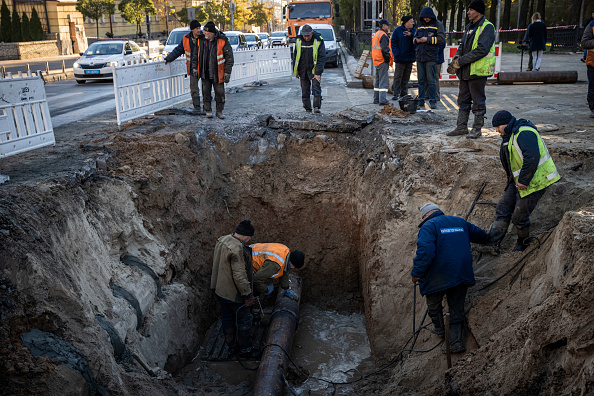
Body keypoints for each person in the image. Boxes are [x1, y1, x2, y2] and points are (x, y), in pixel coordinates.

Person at [411, 203, 489, 353]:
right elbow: (481, 236)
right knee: (456, 309)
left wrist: (417, 273)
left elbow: (425, 252)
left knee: (434, 306)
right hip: (461, 272)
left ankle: (441, 331)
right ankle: (455, 343)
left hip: (438, 275)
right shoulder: (460, 221)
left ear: (426, 215)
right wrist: (492, 236)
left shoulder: (428, 226)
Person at [488, 111, 560, 252]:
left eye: (497, 126)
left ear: (506, 123)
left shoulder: (524, 133)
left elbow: (532, 157)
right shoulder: (511, 134)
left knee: (519, 216)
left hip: (536, 181)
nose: (496, 130)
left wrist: (524, 181)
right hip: (518, 181)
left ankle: (523, 244)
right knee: (503, 208)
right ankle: (492, 242)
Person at [446, 0, 495, 139]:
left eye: (471, 10)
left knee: (478, 100)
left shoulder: (487, 27)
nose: (468, 12)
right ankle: (461, 127)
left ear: (479, 12)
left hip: (477, 71)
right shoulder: (470, 27)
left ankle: (477, 128)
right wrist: (457, 56)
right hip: (465, 71)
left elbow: (482, 50)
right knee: (463, 99)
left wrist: (460, 61)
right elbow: (463, 46)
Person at [210, 219, 258, 358]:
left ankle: (231, 347)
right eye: (250, 237)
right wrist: (247, 294)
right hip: (234, 294)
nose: (249, 240)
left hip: (220, 290)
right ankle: (245, 350)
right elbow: (239, 275)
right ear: (247, 236)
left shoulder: (223, 239)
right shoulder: (237, 249)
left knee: (228, 318)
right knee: (244, 320)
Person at [165, 20, 204, 115]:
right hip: (192, 68)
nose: (199, 30)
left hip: (204, 67)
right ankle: (197, 108)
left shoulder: (204, 38)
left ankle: (207, 108)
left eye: (199, 28)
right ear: (192, 30)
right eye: (197, 28)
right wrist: (169, 58)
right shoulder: (186, 39)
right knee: (194, 88)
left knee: (205, 88)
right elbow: (178, 50)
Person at [200, 21, 234, 119]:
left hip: (218, 73)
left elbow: (229, 58)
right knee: (206, 93)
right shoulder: (202, 41)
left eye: (206, 32)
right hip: (205, 72)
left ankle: (219, 111)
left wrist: (227, 72)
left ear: (211, 33)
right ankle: (208, 110)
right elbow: (195, 55)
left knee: (220, 94)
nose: (204, 33)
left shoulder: (222, 41)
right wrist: (195, 68)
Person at [413, 7, 445, 109]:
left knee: (431, 80)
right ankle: (421, 101)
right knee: (421, 81)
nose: (426, 19)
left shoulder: (438, 24)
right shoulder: (420, 25)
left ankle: (432, 101)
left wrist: (427, 39)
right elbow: (414, 37)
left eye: (428, 17)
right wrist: (416, 41)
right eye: (424, 17)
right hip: (420, 57)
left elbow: (441, 39)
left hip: (431, 57)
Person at [293, 24, 326, 113]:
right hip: (303, 69)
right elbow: (295, 56)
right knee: (304, 90)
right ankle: (307, 108)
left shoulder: (318, 40)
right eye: (304, 36)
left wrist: (317, 72)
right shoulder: (299, 40)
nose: (306, 38)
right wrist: (295, 71)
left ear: (312, 33)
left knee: (316, 88)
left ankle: (316, 107)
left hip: (314, 69)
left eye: (308, 36)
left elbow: (321, 57)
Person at [391, 15, 416, 101]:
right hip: (400, 58)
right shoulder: (398, 31)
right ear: (406, 23)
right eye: (411, 21)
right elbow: (393, 42)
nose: (413, 23)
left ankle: (403, 93)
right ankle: (395, 93)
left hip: (410, 58)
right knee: (398, 76)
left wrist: (411, 35)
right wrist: (397, 53)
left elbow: (417, 39)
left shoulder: (414, 31)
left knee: (406, 77)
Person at [372, 19, 393, 106]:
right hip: (382, 60)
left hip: (376, 60)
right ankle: (383, 100)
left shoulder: (377, 34)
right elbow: (385, 49)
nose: (388, 27)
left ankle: (376, 99)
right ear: (383, 25)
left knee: (378, 80)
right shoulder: (383, 35)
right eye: (387, 25)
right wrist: (388, 60)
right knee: (384, 81)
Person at [581, 18, 594, 117]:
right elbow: (584, 42)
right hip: (593, 62)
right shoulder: (591, 26)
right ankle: (593, 108)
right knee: (593, 87)